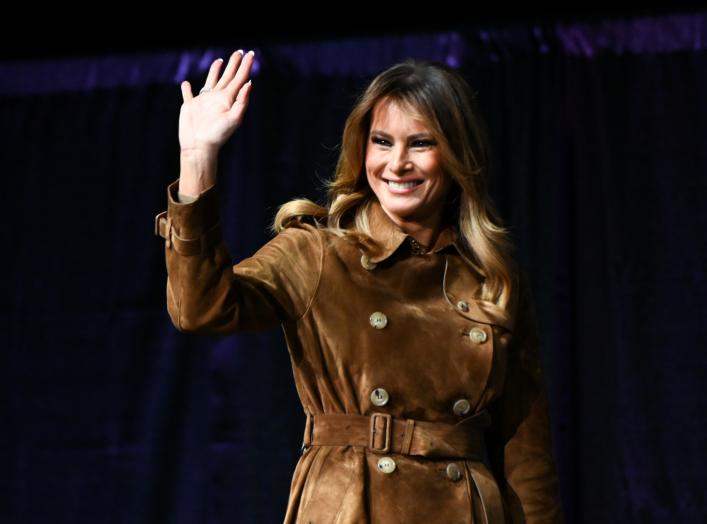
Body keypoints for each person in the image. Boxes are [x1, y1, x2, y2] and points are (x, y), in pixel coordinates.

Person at [154, 49, 564, 523]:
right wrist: (197, 157)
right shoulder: (318, 253)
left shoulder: (492, 277)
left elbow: (526, 457)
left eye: (422, 143)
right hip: (349, 506)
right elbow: (199, 308)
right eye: (382, 141)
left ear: (457, 157)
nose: (397, 163)